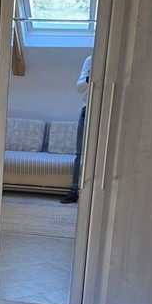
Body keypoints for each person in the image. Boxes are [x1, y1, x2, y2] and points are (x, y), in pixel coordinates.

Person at [61, 55, 91, 204]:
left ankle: (93, 192)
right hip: (86, 112)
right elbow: (79, 88)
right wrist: (89, 78)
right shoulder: (90, 60)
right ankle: (74, 191)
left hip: (104, 113)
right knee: (79, 154)